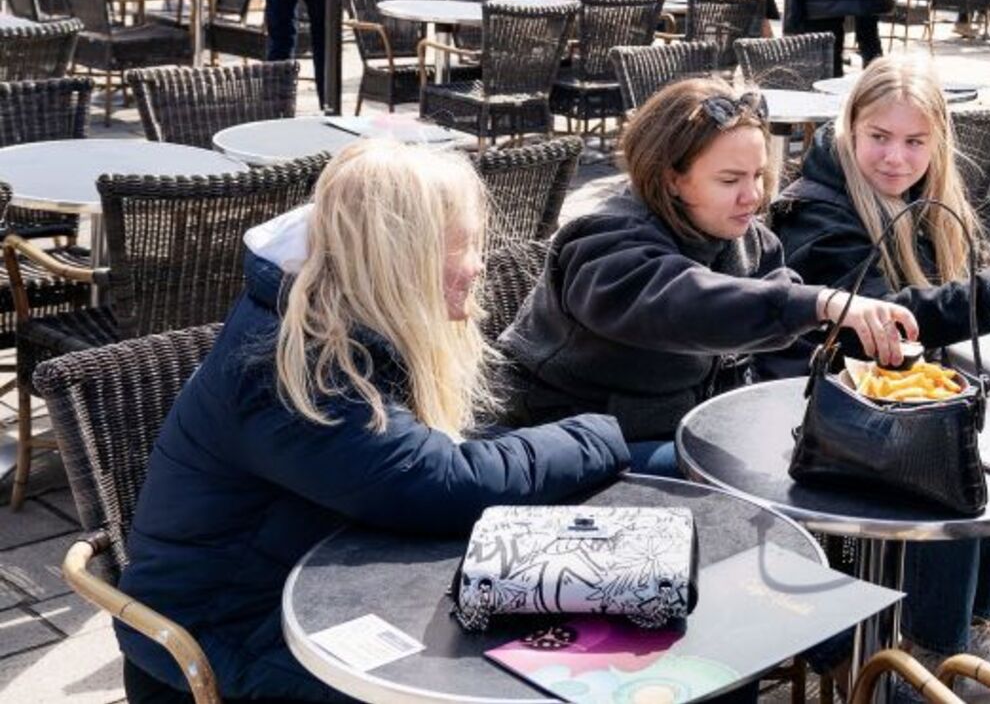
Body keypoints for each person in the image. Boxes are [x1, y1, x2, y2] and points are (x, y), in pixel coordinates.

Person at [114, 140, 630, 702]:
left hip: (315, 578)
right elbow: (442, 483)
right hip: (226, 633)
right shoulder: (290, 367)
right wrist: (602, 432)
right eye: (465, 245)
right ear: (399, 254)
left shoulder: (342, 313)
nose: (479, 265)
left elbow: (434, 457)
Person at [767, 59, 990, 688]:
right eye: (879, 137)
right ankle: (930, 655)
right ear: (850, 129)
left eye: (914, 142)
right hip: (814, 425)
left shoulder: (923, 206)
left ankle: (975, 629)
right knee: (951, 478)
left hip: (889, 419)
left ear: (938, 142)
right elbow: (890, 319)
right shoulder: (815, 213)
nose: (895, 158)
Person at [499, 79, 918, 473]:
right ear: (671, 178)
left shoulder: (752, 242)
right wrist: (820, 301)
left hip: (694, 427)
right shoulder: (603, 242)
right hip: (569, 442)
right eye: (730, 179)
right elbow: (686, 303)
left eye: (757, 175)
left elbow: (788, 349)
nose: (753, 195)